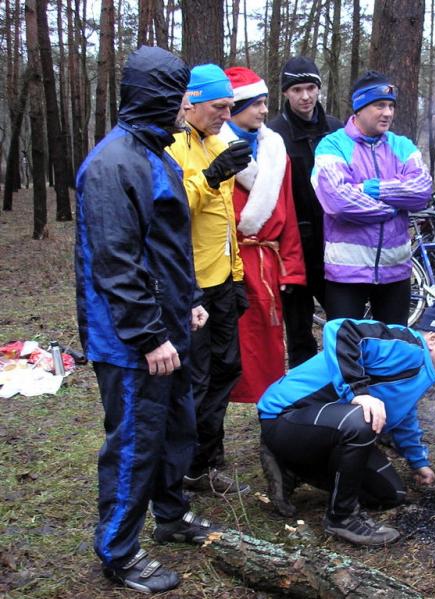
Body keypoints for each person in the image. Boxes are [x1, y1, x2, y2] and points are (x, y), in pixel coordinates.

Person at [75, 46, 218, 594]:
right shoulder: (114, 163)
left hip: (168, 325)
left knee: (175, 429)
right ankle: (118, 551)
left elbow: (164, 246)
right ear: (157, 94)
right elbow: (116, 260)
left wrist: (188, 301)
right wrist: (149, 334)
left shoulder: (154, 153)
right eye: (178, 93)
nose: (186, 105)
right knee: (135, 442)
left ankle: (172, 515)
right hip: (130, 338)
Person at [256, 299, 435, 545]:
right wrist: (360, 393)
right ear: (433, 338)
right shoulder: (407, 346)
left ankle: (292, 469)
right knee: (361, 419)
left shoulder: (423, 371)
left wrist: (418, 462)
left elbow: (404, 414)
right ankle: (342, 519)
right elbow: (339, 329)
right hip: (285, 416)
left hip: (322, 426)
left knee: (390, 494)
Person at [167, 64, 253, 495]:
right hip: (188, 285)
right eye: (218, 106)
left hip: (221, 280)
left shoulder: (220, 143)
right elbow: (172, 206)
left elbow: (226, 221)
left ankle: (206, 459)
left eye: (230, 107)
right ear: (191, 102)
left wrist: (238, 278)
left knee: (227, 368)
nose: (225, 113)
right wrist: (213, 174)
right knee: (195, 377)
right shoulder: (172, 148)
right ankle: (184, 467)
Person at [312, 70, 432, 325]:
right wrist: (393, 207)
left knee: (392, 351)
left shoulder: (402, 145)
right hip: (346, 274)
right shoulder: (332, 146)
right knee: (346, 352)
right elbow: (338, 201)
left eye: (391, 106)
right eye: (379, 105)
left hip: (395, 271)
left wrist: (371, 189)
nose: (387, 113)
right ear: (359, 108)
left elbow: (421, 190)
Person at [217, 66, 306, 403]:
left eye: (266, 102)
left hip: (266, 262)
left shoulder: (274, 148)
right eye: (256, 103)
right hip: (227, 263)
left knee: (268, 346)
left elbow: (289, 210)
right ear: (237, 107)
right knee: (228, 346)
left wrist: (292, 268)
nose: (265, 110)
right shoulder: (213, 146)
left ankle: (269, 410)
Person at [267, 56, 344, 367]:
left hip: (336, 243)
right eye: (297, 89)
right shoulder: (273, 134)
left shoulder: (337, 130)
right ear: (286, 92)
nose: (305, 96)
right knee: (298, 330)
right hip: (292, 246)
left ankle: (346, 384)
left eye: (311, 87)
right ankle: (303, 397)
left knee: (342, 322)